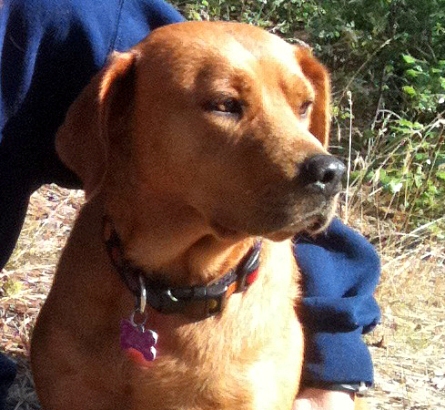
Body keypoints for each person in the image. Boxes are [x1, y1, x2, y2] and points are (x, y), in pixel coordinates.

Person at [0, 1, 381, 409]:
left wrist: (334, 359)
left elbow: (196, 47)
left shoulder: (53, 14)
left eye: (301, 108)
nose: (315, 158)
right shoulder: (71, 334)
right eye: (226, 104)